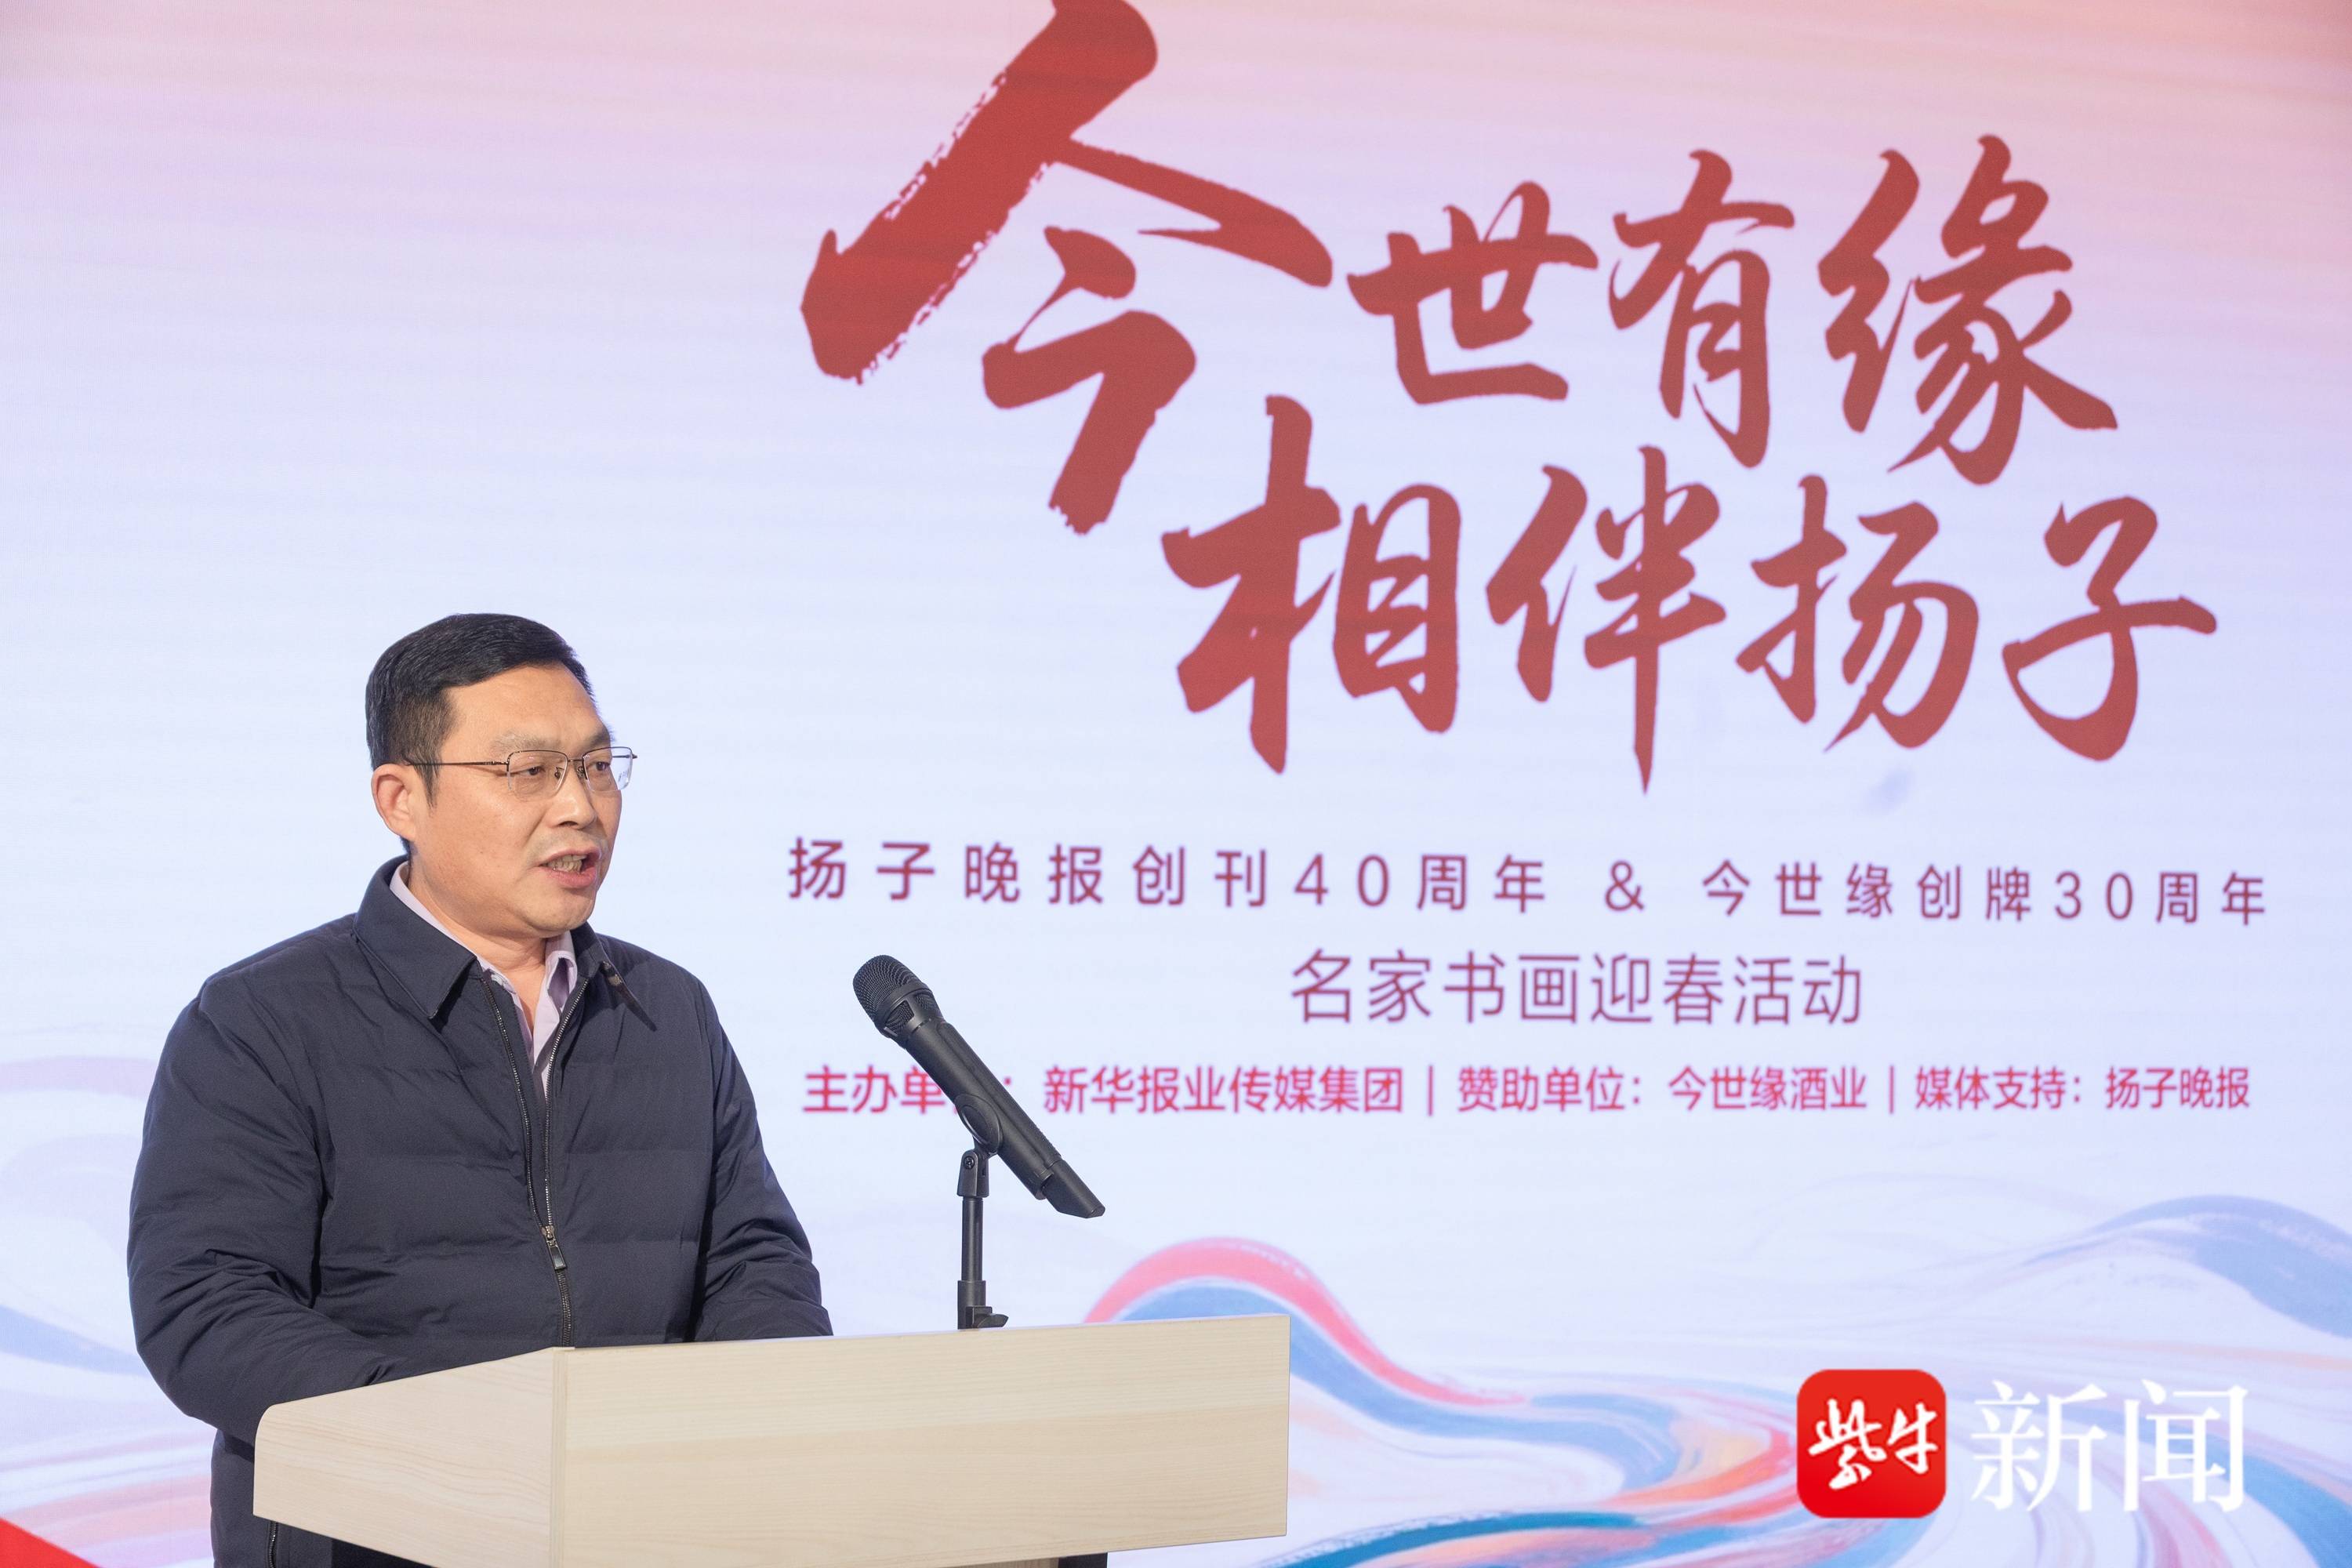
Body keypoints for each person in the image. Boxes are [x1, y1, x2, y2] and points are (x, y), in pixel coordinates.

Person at [128, 613, 829, 1566]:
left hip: (644, 1529)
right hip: (373, 1533)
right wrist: (459, 1439)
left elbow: (752, 1261)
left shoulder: (667, 1007)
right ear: (401, 797)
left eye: (597, 766)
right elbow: (207, 1304)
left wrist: (763, 1426)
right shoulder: (264, 1017)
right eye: (528, 771)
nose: (580, 806)